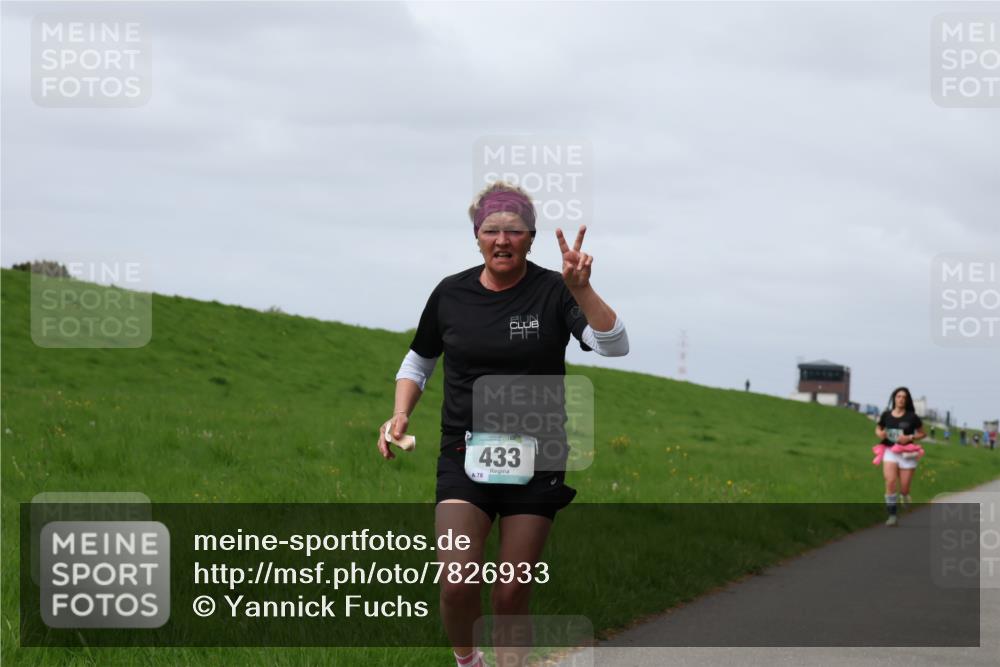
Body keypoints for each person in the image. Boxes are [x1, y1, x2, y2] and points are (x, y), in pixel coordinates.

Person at [378, 181, 629, 667]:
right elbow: (419, 361)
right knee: (456, 583)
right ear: (476, 236)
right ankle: (468, 661)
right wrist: (401, 411)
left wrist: (581, 288)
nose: (502, 240)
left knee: (510, 592)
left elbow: (614, 346)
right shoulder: (450, 294)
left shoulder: (554, 291)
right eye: (490, 229)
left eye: (514, 230)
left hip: (538, 460)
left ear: (531, 237)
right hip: (463, 455)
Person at [875, 387, 927, 526]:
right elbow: (878, 428)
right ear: (894, 398)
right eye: (899, 396)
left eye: (904, 397)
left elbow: (923, 433)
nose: (901, 399)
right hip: (890, 451)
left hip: (907, 454)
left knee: (904, 488)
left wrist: (909, 437)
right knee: (890, 482)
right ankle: (892, 515)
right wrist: (880, 433)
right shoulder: (886, 415)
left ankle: (904, 495)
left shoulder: (912, 417)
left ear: (907, 400)